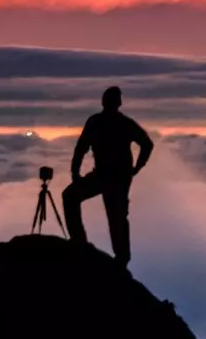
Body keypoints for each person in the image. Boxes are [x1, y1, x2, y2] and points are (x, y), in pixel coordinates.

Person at [63, 87, 153, 267]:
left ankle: (117, 256)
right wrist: (136, 168)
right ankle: (87, 245)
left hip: (115, 176)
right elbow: (147, 144)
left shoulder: (101, 122)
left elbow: (81, 149)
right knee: (114, 214)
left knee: (115, 214)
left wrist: (136, 168)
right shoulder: (113, 122)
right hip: (110, 175)